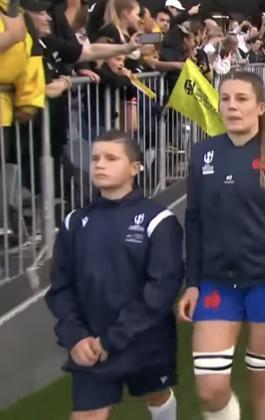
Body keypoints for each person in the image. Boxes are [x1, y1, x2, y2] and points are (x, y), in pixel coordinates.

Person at [178, 71, 265, 420]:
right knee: (210, 391)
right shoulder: (203, 153)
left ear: (261, 107)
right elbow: (194, 221)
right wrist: (192, 282)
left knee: (261, 377)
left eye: (241, 99)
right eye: (225, 98)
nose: (232, 106)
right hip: (217, 283)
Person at [46, 130, 184, 420]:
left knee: (156, 395)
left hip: (145, 341)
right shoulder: (74, 222)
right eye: (95, 158)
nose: (99, 164)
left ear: (135, 168)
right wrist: (76, 337)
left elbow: (161, 289)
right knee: (87, 415)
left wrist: (112, 340)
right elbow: (60, 288)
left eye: (111, 158)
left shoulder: (158, 220)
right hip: (90, 344)